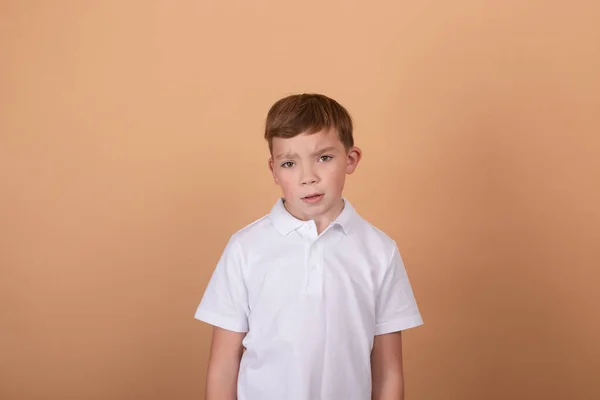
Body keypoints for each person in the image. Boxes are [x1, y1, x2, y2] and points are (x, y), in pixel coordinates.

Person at [194, 93, 423, 400]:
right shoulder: (245, 249)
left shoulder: (380, 252)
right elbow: (223, 367)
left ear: (351, 159)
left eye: (324, 158)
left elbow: (388, 372)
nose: (308, 178)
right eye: (290, 163)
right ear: (274, 170)